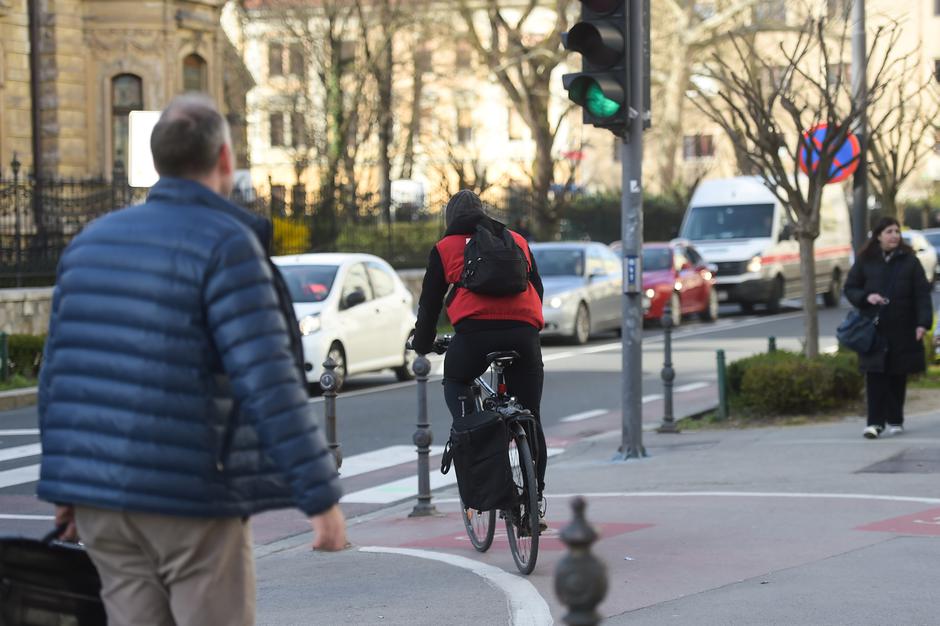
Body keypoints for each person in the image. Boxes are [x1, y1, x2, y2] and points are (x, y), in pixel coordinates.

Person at [37, 94, 346, 625]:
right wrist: (320, 498)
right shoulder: (226, 244)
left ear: (158, 161)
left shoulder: (89, 243)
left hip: (102, 502)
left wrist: (68, 487)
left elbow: (60, 376)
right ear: (225, 158)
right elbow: (268, 378)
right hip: (191, 498)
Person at [411, 190, 548, 522]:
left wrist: (422, 343)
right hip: (524, 335)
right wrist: (525, 328)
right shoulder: (515, 240)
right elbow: (537, 290)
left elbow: (429, 306)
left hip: (474, 338)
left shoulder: (445, 249)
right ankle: (534, 501)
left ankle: (476, 432)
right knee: (531, 417)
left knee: (456, 379)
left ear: (450, 220)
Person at [843, 217, 933, 440]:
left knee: (896, 374)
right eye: (889, 231)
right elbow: (850, 287)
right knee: (874, 374)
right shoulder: (866, 261)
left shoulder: (910, 262)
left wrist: (923, 324)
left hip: (902, 327)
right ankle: (874, 423)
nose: (894, 235)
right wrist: (866, 297)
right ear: (878, 236)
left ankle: (895, 418)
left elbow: (922, 295)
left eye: (897, 231)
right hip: (874, 328)